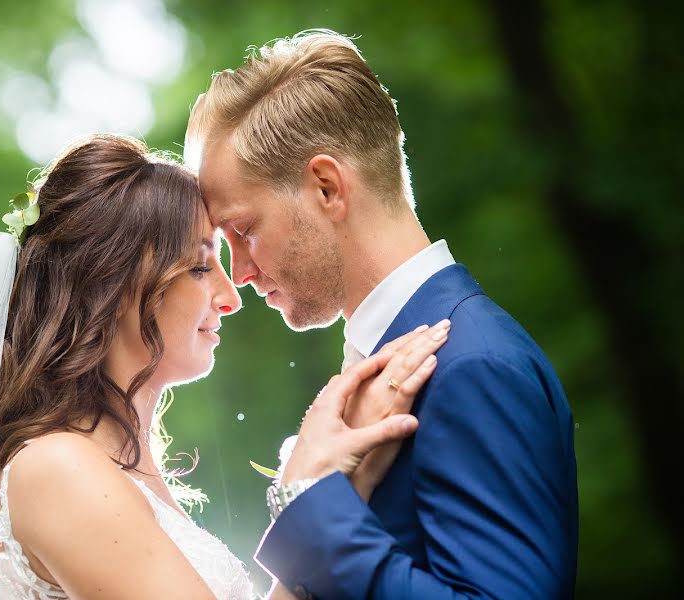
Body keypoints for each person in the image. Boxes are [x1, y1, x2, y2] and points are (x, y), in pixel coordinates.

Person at [0, 133, 445, 599]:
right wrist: (301, 491)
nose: (231, 295)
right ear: (116, 285)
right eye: (202, 268)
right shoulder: (58, 469)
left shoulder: (114, 465)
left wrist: (350, 481)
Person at [186, 30, 579, 599]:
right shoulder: (403, 359)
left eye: (244, 232)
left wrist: (311, 508)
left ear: (326, 188)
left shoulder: (475, 366)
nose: (239, 274)